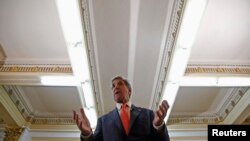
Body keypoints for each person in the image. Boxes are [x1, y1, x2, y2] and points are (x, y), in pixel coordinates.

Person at [73, 76, 170, 141]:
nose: (115, 87)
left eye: (120, 84)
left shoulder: (149, 115)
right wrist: (87, 135)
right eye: (113, 86)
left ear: (129, 91)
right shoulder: (103, 121)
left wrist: (159, 126)